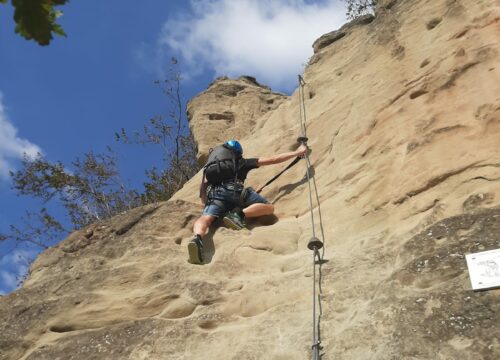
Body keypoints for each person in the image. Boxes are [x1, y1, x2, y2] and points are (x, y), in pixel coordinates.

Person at [188, 139, 308, 264]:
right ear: (237, 153)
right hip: (234, 191)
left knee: (206, 218)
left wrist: (204, 202)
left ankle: (197, 238)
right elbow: (272, 159)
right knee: (268, 207)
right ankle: (238, 215)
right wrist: (296, 153)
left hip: (215, 195)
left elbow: (204, 184)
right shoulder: (241, 162)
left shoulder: (212, 166)